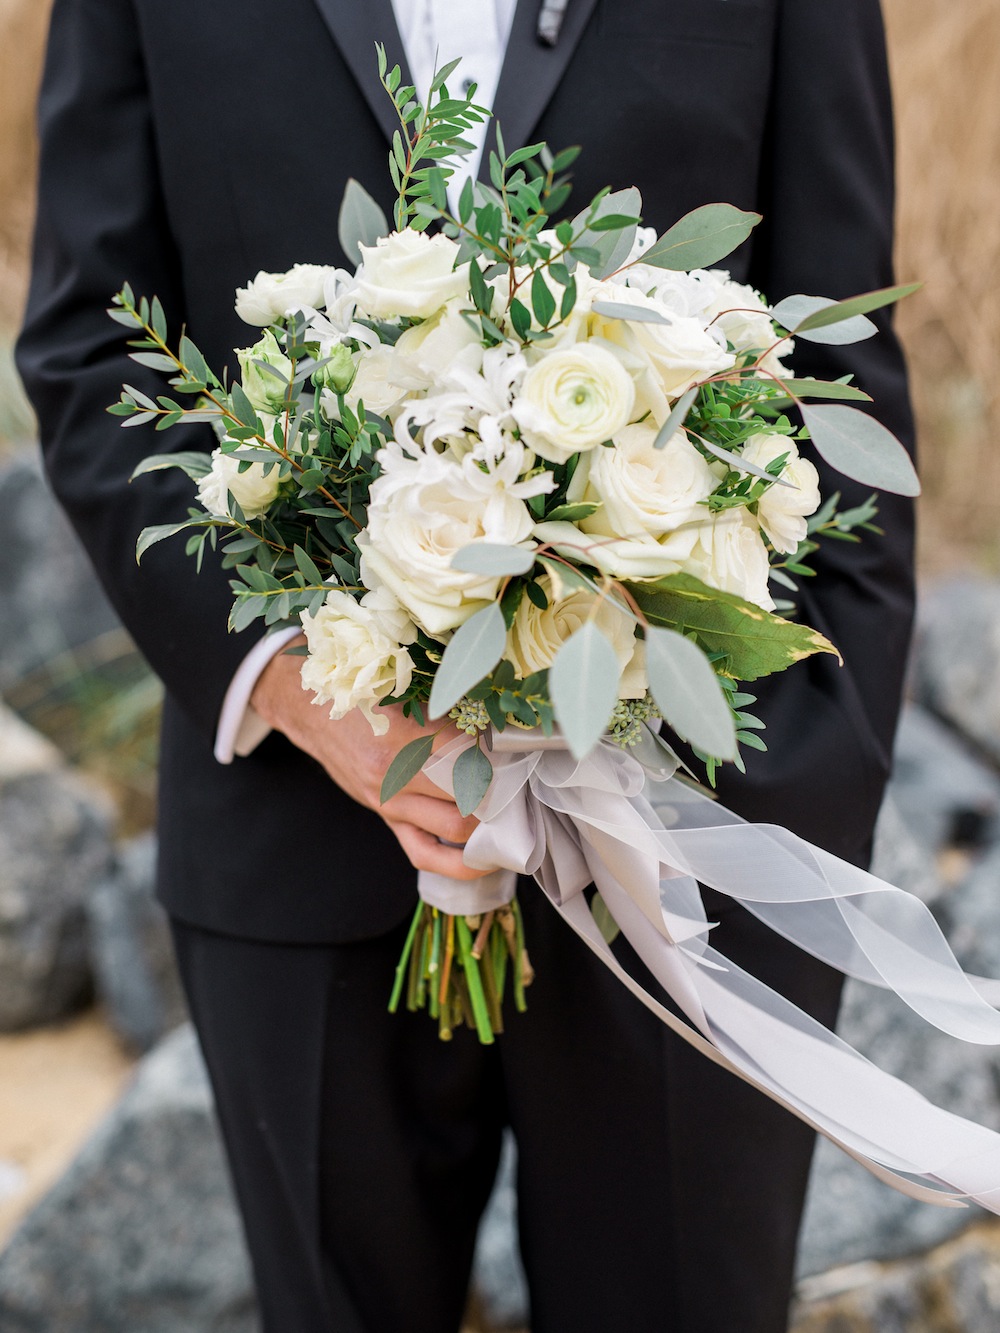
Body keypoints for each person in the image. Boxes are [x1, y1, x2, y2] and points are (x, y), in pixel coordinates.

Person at [17, 1, 915, 1329]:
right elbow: (91, 346)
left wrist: (798, 784)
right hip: (301, 838)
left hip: (685, 854)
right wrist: (291, 685)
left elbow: (842, 356)